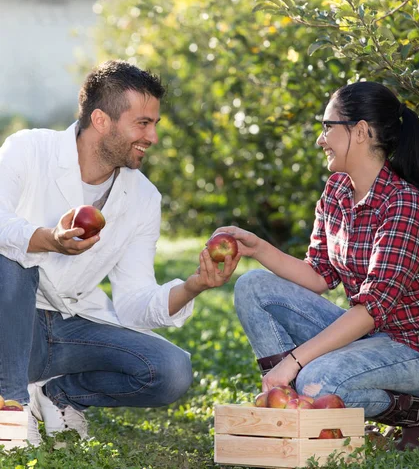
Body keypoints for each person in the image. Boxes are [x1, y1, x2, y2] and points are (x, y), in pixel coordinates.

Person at [219, 81, 419, 453]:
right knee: (254, 287)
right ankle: (294, 404)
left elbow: (371, 310)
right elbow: (319, 274)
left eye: (327, 126)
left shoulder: (405, 205)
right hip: (373, 339)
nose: (320, 139)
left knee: (317, 379)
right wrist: (258, 248)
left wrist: (293, 361)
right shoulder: (338, 190)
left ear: (359, 132)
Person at [0, 60, 240, 446]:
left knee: (172, 370)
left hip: (69, 329)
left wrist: (194, 285)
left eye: (154, 124)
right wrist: (49, 238)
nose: (153, 137)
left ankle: (57, 395)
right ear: (100, 120)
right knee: (10, 258)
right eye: (142, 123)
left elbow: (133, 302)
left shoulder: (143, 198)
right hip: (10, 322)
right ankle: (9, 411)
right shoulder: (28, 149)